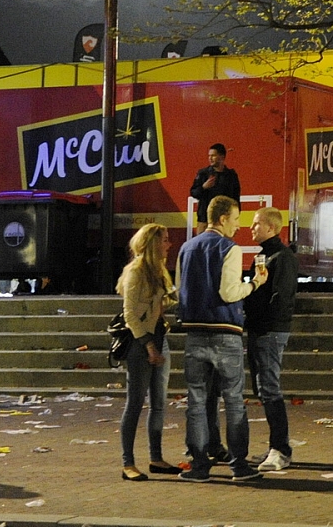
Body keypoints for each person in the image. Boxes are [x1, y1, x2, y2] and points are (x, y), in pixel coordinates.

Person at [176, 194, 266, 482]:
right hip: (225, 333)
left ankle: (200, 465)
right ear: (223, 217)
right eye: (236, 219)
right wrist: (253, 283)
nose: (238, 226)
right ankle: (239, 465)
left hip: (194, 334)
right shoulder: (229, 248)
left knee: (197, 402)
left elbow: (181, 291)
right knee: (234, 401)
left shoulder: (186, 248)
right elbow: (229, 293)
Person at [117, 223, 178, 481]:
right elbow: (130, 314)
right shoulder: (136, 271)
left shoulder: (158, 270)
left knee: (159, 404)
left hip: (159, 338)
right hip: (141, 343)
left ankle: (156, 457)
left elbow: (167, 301)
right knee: (135, 403)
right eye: (164, 240)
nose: (169, 244)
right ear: (153, 243)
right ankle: (127, 463)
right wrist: (150, 346)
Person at [244, 206, 299, 473]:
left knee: (270, 388)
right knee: (264, 389)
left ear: (271, 228)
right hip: (259, 329)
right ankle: (275, 446)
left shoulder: (282, 257)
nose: (251, 228)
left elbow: (281, 296)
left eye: (256, 224)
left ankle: (281, 449)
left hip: (269, 330)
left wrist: (266, 322)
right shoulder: (264, 255)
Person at [190, 144, 241, 235]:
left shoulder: (231, 176)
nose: (210, 158)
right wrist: (204, 187)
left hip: (225, 220)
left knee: (225, 246)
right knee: (203, 246)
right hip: (205, 220)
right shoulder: (203, 174)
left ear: (222, 157)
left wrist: (235, 217)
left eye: (213, 155)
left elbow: (236, 198)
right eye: (209, 156)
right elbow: (194, 192)